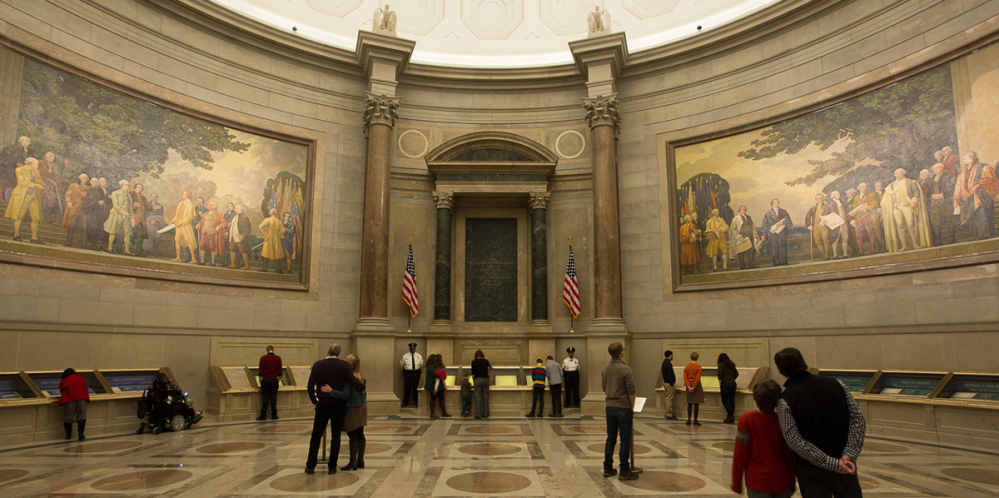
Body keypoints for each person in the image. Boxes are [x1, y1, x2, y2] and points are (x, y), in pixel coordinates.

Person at [774, 348, 865, 498]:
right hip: (845, 464)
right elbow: (858, 419)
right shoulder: (837, 384)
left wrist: (831, 463)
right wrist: (848, 455)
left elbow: (794, 440)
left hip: (811, 470)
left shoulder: (785, 399)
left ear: (781, 370)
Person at [305, 343, 365, 475]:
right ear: (338, 353)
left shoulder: (318, 365)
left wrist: (314, 401)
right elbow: (353, 381)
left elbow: (310, 386)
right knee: (336, 435)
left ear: (327, 351)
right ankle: (332, 466)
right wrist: (362, 388)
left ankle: (310, 465)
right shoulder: (344, 365)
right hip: (338, 405)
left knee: (316, 435)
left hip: (323, 404)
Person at [731, 380, 796, 498]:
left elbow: (739, 455)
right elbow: (788, 455)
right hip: (781, 480)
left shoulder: (747, 419)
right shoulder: (781, 420)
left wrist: (736, 483)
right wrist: (792, 482)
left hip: (758, 481)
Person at [602, 341, 638, 481]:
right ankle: (624, 468)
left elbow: (604, 387)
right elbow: (631, 390)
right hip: (623, 407)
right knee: (624, 438)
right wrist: (632, 406)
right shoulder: (626, 369)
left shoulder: (605, 370)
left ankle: (608, 467)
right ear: (621, 352)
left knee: (611, 437)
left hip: (610, 406)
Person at [882, 167, 932, 252]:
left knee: (910, 224)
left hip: (907, 205)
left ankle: (914, 243)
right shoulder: (892, 185)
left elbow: (916, 192)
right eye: (896, 174)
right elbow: (889, 197)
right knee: (900, 225)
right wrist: (893, 204)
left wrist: (914, 201)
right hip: (897, 207)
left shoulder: (910, 182)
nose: (898, 175)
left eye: (900, 173)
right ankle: (904, 245)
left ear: (903, 173)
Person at [954, 152, 998, 240]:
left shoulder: (984, 167)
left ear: (971, 158)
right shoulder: (964, 171)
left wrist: (976, 187)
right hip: (970, 198)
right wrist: (957, 197)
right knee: (975, 217)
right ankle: (979, 235)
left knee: (983, 215)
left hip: (982, 196)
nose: (963, 161)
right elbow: (960, 185)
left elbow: (988, 179)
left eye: (965, 159)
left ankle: (985, 235)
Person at [4, 157, 45, 243]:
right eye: (36, 164)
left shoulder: (36, 172)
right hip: (23, 195)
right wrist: (35, 185)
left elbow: (42, 184)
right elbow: (22, 182)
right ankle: (16, 234)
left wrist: (38, 175)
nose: (37, 166)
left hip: (35, 196)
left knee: (36, 217)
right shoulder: (20, 170)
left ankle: (34, 238)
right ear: (30, 164)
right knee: (19, 214)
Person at [340, 354, 367, 471]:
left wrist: (331, 392)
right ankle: (360, 460)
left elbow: (345, 394)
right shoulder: (361, 376)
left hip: (352, 408)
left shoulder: (348, 378)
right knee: (360, 433)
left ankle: (352, 461)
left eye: (346, 359)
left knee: (352, 435)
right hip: (362, 407)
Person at [928, 162, 958, 246]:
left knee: (949, 218)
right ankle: (938, 240)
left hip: (945, 201)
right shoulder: (932, 179)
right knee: (935, 220)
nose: (935, 170)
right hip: (934, 202)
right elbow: (929, 191)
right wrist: (932, 195)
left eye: (937, 168)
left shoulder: (949, 176)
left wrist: (943, 194)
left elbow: (952, 187)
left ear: (941, 168)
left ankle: (952, 238)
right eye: (933, 169)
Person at [58, 368, 90, 441]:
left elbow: (62, 388)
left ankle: (68, 435)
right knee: (81, 416)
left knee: (68, 417)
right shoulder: (82, 378)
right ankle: (81, 434)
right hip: (82, 398)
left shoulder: (65, 380)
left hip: (70, 399)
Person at [103, 179, 134, 255]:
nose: (128, 186)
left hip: (127, 216)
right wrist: (124, 213)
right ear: (122, 185)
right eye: (126, 185)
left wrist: (132, 218)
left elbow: (130, 208)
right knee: (113, 231)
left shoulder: (129, 196)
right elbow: (115, 205)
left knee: (127, 233)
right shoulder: (115, 193)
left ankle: (127, 251)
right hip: (117, 214)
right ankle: (109, 248)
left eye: (128, 185)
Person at [170, 190, 199, 263]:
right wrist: (172, 221)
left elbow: (189, 216)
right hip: (179, 223)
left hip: (185, 225)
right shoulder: (180, 203)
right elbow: (178, 215)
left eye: (184, 194)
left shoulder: (189, 204)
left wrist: (181, 223)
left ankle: (193, 259)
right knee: (177, 240)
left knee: (189, 240)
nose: (182, 195)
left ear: (187, 195)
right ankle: (178, 257)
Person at [761, 199, 792, 266]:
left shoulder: (783, 212)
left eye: (777, 202)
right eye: (774, 202)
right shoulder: (768, 214)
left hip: (782, 232)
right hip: (773, 234)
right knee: (774, 248)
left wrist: (783, 222)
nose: (776, 203)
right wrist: (764, 234)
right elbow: (764, 224)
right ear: (771, 204)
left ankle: (783, 261)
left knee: (782, 247)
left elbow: (788, 221)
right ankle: (775, 261)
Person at [63, 174, 91, 247]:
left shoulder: (88, 188)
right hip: (74, 207)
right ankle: (69, 242)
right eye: (84, 178)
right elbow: (68, 195)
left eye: (86, 178)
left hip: (83, 209)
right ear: (80, 179)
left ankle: (84, 245)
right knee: (71, 225)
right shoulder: (73, 185)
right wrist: (68, 202)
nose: (85, 179)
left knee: (84, 227)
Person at [196, 201, 227, 266]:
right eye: (209, 205)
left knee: (212, 247)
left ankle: (213, 262)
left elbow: (224, 223)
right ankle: (202, 261)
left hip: (212, 233)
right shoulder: (205, 214)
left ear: (215, 206)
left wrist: (219, 226)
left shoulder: (219, 214)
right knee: (202, 246)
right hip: (204, 232)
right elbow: (201, 221)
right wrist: (198, 224)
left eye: (211, 205)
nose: (210, 206)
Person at [257, 345, 282, 421]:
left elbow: (261, 370)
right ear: (273, 350)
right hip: (274, 380)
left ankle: (263, 415)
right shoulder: (278, 358)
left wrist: (261, 379)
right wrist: (278, 380)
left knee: (265, 398)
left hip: (265, 380)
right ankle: (274, 415)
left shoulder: (263, 358)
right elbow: (280, 371)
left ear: (267, 350)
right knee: (273, 398)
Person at [729, 205, 758, 269]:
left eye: (744, 209)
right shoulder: (736, 218)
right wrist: (739, 237)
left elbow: (752, 226)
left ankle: (751, 264)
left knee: (752, 250)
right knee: (741, 251)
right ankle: (742, 265)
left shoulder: (748, 217)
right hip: (742, 237)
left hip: (750, 236)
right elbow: (734, 230)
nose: (743, 210)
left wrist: (754, 234)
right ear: (739, 210)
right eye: (742, 209)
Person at [259, 208, 286, 273]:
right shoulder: (278, 221)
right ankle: (279, 269)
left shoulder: (268, 219)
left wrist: (266, 235)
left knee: (266, 252)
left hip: (269, 238)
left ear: (273, 213)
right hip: (276, 239)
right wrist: (278, 235)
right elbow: (283, 230)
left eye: (270, 211)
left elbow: (260, 227)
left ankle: (264, 268)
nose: (269, 212)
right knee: (277, 252)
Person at [424, 354, 451, 418]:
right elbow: (436, 374)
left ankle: (444, 412)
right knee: (433, 399)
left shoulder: (431, 367)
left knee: (441, 399)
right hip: (433, 386)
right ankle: (432, 413)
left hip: (439, 386)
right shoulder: (430, 367)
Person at [227, 205, 252, 269]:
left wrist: (243, 235)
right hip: (232, 236)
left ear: (241, 209)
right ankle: (233, 264)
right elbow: (232, 226)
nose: (236, 209)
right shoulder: (234, 216)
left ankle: (246, 265)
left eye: (238, 208)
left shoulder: (244, 217)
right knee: (232, 250)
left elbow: (248, 229)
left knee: (243, 251)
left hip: (239, 237)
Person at [718, 353, 740, 424]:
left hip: (725, 384)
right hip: (733, 384)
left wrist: (721, 379)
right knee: (731, 400)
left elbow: (720, 374)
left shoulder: (721, 365)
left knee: (724, 400)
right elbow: (736, 374)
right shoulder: (731, 364)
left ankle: (730, 414)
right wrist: (732, 378)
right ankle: (730, 415)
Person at [683, 352, 704, 426]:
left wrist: (688, 386)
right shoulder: (698, 367)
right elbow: (698, 378)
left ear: (690, 357)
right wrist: (694, 387)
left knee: (689, 403)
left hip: (689, 383)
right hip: (696, 385)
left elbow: (685, 377)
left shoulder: (687, 366)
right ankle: (695, 420)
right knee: (696, 403)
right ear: (697, 358)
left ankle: (688, 419)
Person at [470, 349, 491, 418]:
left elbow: (473, 374)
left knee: (478, 397)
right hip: (485, 379)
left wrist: (473, 382)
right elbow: (490, 369)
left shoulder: (474, 362)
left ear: (476, 355)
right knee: (486, 397)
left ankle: (478, 415)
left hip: (477, 379)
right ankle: (485, 414)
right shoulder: (486, 361)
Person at [130, 183, 148, 257]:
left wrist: (153, 208)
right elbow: (126, 204)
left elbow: (147, 207)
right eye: (139, 187)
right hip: (133, 217)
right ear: (135, 188)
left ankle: (138, 251)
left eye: (141, 188)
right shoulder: (131, 194)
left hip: (141, 219)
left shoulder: (143, 197)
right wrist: (133, 204)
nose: (140, 189)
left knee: (140, 235)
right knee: (130, 234)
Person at [660, 350, 677, 420]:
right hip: (669, 383)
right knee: (669, 399)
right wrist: (672, 382)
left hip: (666, 382)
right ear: (670, 355)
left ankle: (668, 412)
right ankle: (668, 414)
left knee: (668, 398)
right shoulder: (668, 363)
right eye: (672, 355)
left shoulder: (664, 363)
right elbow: (670, 374)